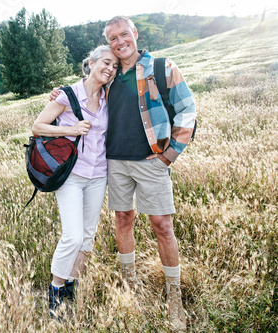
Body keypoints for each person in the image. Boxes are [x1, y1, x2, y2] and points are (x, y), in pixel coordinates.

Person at [50, 16, 196, 330]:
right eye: (113, 38)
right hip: (113, 162)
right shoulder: (111, 73)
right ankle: (129, 283)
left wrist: (169, 156)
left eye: (123, 35)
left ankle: (174, 299)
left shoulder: (161, 67)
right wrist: (58, 93)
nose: (119, 42)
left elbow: (187, 109)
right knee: (123, 219)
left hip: (152, 161)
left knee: (162, 225)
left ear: (135, 34)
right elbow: (83, 91)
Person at [32, 45, 119, 319]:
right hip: (71, 175)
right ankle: (55, 289)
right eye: (106, 62)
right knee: (73, 235)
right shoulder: (68, 94)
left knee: (88, 236)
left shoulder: (109, 96)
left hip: (98, 175)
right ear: (91, 63)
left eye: (115, 66)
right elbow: (37, 126)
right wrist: (70, 129)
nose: (110, 69)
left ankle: (71, 283)